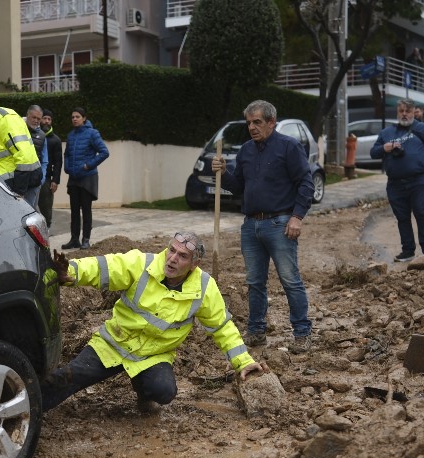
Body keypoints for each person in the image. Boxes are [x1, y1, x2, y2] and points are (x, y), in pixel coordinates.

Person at [40, 232, 265, 413]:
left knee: (164, 392)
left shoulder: (204, 287)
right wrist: (71, 272)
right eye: (172, 251)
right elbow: (105, 267)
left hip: (152, 356)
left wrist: (243, 361)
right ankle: (28, 408)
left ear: (194, 264)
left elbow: (222, 327)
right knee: (67, 377)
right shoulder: (142, 263)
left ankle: (144, 392)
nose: (173, 259)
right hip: (114, 344)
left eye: (182, 256)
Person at [210, 99, 315, 353]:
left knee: (290, 280)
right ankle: (256, 331)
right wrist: (223, 173)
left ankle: (302, 333)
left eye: (257, 122)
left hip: (280, 224)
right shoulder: (246, 150)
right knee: (255, 282)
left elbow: (306, 183)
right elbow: (239, 187)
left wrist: (297, 217)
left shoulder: (288, 147)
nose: (252, 127)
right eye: (249, 123)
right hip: (251, 226)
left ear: (271, 122)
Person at [370, 97, 424, 263]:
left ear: (413, 112)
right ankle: (408, 250)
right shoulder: (387, 133)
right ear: (397, 113)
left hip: (418, 180)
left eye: (408, 111)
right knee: (402, 217)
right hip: (395, 183)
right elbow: (373, 152)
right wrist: (385, 147)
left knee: (422, 213)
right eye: (401, 111)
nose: (404, 114)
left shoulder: (423, 128)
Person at [62, 107, 109, 250]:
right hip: (74, 178)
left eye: (77, 116)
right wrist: (67, 168)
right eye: (72, 117)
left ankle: (86, 240)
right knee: (74, 210)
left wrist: (88, 166)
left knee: (86, 210)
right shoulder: (70, 135)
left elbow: (104, 152)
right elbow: (67, 154)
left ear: (84, 118)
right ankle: (74, 239)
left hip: (87, 178)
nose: (74, 119)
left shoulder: (92, 134)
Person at [37, 108, 63, 233]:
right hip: (33, 177)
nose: (46, 121)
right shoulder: (34, 136)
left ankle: (46, 230)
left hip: (47, 179)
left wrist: (55, 180)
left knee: (46, 208)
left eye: (49, 119)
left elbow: (58, 162)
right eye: (45, 118)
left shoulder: (55, 140)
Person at [24, 104, 48, 208]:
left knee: (31, 212)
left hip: (34, 182)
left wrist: (41, 179)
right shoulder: (16, 130)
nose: (36, 121)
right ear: (27, 115)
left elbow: (44, 160)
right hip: (17, 180)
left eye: (39, 118)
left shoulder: (42, 136)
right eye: (34, 117)